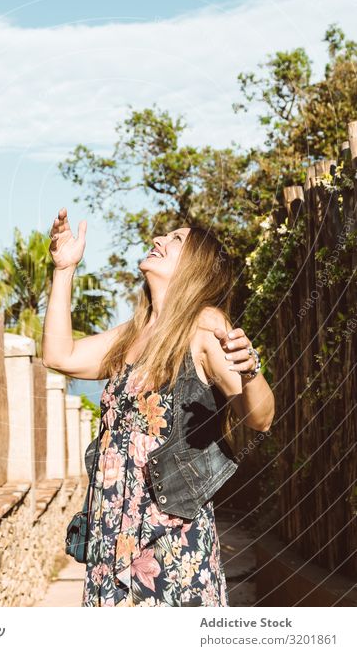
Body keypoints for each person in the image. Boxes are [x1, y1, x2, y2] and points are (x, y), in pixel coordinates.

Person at [43, 207, 275, 607]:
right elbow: (59, 355)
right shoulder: (131, 334)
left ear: (197, 268)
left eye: (175, 240)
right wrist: (64, 270)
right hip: (109, 530)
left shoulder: (204, 325)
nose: (159, 240)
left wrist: (251, 370)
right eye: (163, 236)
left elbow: (261, 418)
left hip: (167, 537)